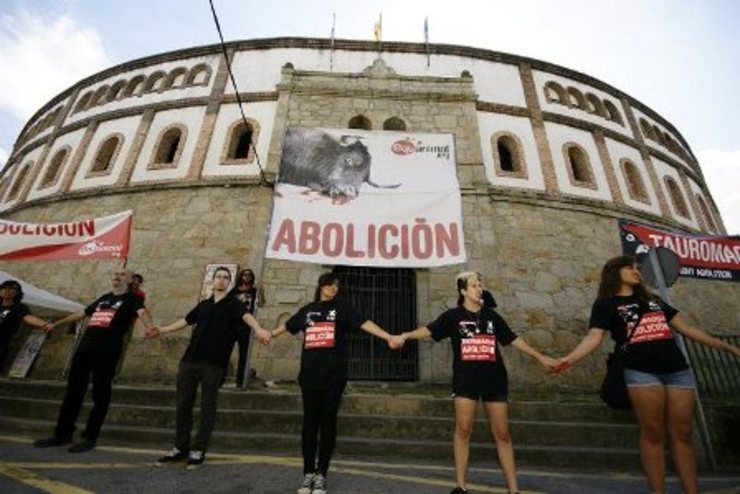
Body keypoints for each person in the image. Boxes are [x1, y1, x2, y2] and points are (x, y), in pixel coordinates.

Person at [556, 255, 740, 494]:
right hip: (641, 372)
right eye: (629, 267)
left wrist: (729, 348)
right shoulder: (606, 304)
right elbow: (594, 337)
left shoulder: (654, 300)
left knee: (682, 435)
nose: (636, 271)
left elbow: (688, 329)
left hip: (677, 371)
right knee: (653, 434)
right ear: (615, 272)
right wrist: (568, 359)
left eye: (637, 268)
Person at [390, 271, 558, 494]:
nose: (479, 289)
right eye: (473, 286)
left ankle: (513, 489)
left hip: (495, 381)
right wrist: (404, 335)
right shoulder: (453, 316)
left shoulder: (492, 317)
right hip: (466, 381)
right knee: (463, 430)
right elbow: (429, 330)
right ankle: (461, 486)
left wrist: (541, 357)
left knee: (502, 433)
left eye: (480, 285)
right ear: (462, 291)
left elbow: (514, 340)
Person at [270, 272, 395, 494]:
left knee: (328, 422)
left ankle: (321, 475)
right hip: (309, 375)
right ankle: (307, 473)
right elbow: (288, 326)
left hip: (334, 375)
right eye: (330, 284)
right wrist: (268, 334)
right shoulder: (308, 309)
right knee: (310, 423)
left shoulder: (343, 308)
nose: (333, 288)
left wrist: (387, 336)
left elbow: (365, 323)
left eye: (336, 285)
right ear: (321, 286)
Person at [147, 266, 271, 470]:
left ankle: (199, 449)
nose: (221, 280)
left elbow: (247, 317)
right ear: (213, 281)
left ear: (229, 283)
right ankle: (180, 448)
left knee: (207, 406)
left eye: (225, 278)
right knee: (183, 404)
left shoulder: (234, 304)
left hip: (213, 363)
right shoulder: (203, 305)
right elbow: (185, 321)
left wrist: (258, 329)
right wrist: (162, 330)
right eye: (218, 277)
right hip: (189, 361)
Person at [33, 269, 157, 453]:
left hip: (107, 351)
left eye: (123, 274)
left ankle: (90, 437)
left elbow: (142, 312)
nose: (117, 276)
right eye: (115, 273)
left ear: (131, 280)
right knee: (73, 392)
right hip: (85, 349)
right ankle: (62, 433)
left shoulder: (132, 298)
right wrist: (56, 324)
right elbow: (81, 313)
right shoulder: (103, 298)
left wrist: (150, 327)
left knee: (100, 394)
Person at [0, 279, 53, 374]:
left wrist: (45, 324)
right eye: (4, 288)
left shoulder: (18, 307)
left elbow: (28, 318)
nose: (7, 290)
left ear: (17, 293)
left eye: (12, 289)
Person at [227, 268, 265, 388]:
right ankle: (220, 378)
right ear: (241, 276)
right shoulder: (233, 291)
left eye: (249, 275)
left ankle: (240, 381)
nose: (247, 277)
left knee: (244, 355)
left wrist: (261, 292)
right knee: (225, 351)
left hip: (246, 326)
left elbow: (261, 304)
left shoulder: (254, 291)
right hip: (231, 325)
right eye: (244, 275)